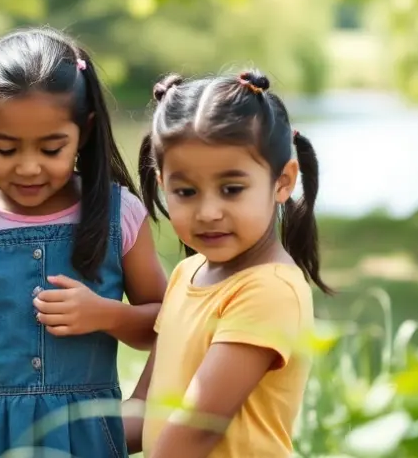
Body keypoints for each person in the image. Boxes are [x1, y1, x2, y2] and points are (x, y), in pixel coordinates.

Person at [0, 27, 168, 457]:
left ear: (84, 132)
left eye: (51, 149)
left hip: (89, 438)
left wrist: (107, 315)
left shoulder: (118, 214)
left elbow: (169, 324)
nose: (29, 168)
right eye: (6, 149)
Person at [127, 71, 332, 457]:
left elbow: (195, 433)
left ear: (283, 181)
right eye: (185, 191)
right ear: (161, 183)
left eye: (232, 189)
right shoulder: (186, 274)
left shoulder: (269, 290)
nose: (208, 212)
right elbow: (144, 413)